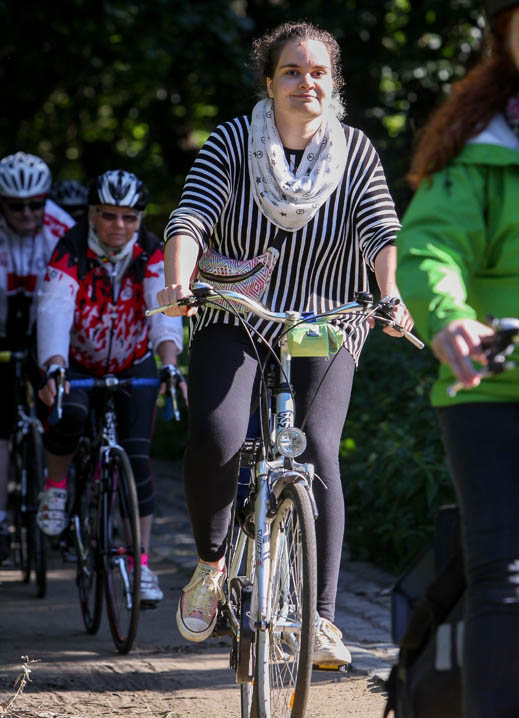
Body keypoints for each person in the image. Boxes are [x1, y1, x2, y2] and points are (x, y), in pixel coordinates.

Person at [157, 21, 413, 664]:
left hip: (325, 316)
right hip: (237, 310)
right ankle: (212, 566)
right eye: (292, 71)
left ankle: (321, 619)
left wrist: (389, 293)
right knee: (216, 435)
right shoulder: (233, 142)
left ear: (335, 83)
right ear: (269, 83)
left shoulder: (355, 152)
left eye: (318, 71)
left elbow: (381, 229)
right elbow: (191, 217)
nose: (306, 82)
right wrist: (179, 281)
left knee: (319, 448)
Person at [396, 2, 519, 718]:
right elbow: (431, 244)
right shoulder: (481, 146)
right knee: (503, 574)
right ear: (504, 36)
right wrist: (447, 318)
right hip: (489, 384)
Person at [36, 169, 186, 606]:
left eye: (129, 217)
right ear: (91, 214)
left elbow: (164, 311)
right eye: (108, 215)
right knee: (70, 415)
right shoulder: (70, 247)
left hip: (132, 361)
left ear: (140, 218)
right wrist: (55, 365)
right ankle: (56, 488)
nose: (119, 225)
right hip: (78, 359)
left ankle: (141, 565)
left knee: (137, 459)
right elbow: (55, 307)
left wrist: (169, 365)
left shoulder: (151, 251)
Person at [0, 152, 74, 563]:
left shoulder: (61, 228)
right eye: (16, 206)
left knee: (58, 410)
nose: (27, 213)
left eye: (35, 204)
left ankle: (63, 497)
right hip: (3, 324)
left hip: (44, 326)